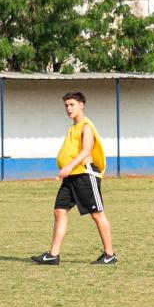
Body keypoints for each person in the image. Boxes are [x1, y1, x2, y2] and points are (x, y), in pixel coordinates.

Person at [32, 92, 116, 266]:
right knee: (59, 211)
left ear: (81, 105)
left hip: (85, 175)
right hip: (71, 177)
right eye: (66, 105)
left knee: (97, 214)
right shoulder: (72, 128)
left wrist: (69, 166)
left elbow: (86, 150)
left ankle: (110, 254)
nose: (69, 109)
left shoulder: (86, 126)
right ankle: (53, 255)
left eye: (72, 105)